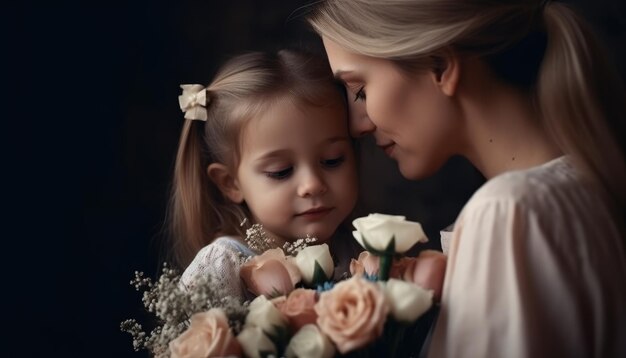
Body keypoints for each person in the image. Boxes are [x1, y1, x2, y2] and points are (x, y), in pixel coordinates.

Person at [307, 0, 626, 357]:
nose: (357, 125)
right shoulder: (587, 184)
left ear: (440, 66)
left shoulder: (509, 211)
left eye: (361, 90)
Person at [166, 49, 360, 302]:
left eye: (332, 160)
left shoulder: (359, 253)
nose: (312, 184)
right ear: (230, 183)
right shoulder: (223, 266)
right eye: (281, 172)